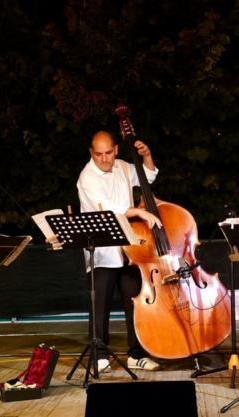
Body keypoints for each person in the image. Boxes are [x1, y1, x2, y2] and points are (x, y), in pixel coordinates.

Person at [77, 130, 162, 372]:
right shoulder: (87, 177)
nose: (104, 159)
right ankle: (99, 356)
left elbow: (148, 177)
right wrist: (139, 212)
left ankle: (137, 354)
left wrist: (147, 156)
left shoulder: (123, 166)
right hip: (102, 251)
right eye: (98, 154)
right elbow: (108, 209)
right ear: (91, 153)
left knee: (135, 304)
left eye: (108, 153)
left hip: (130, 250)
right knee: (100, 306)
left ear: (115, 149)